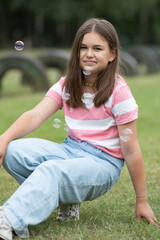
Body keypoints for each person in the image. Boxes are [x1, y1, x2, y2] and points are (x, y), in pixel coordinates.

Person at [0, 18, 159, 240]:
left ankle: (8, 219)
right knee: (13, 152)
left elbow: (131, 149)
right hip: (71, 150)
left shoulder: (119, 92)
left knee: (52, 170)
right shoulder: (67, 84)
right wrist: (3, 139)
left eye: (97, 48)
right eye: (83, 47)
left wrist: (141, 200)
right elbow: (35, 115)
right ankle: (66, 199)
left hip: (103, 163)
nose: (89, 53)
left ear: (112, 54)